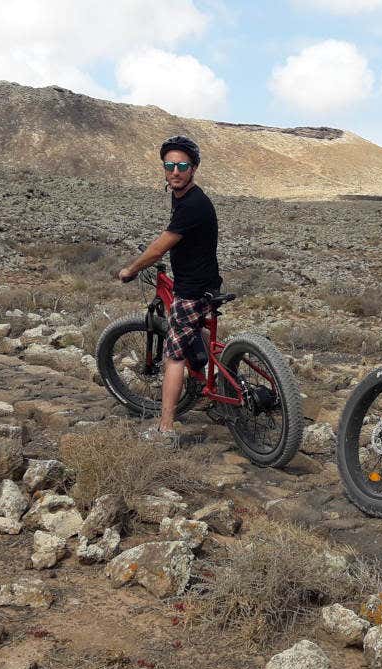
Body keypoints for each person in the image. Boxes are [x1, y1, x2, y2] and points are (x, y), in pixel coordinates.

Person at [116, 135, 222, 447]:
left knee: (173, 357)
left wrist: (132, 269)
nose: (175, 171)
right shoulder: (187, 197)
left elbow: (159, 248)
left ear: (194, 168)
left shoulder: (192, 204)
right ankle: (210, 385)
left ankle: (165, 429)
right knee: (196, 333)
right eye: (169, 166)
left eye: (182, 166)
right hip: (208, 284)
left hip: (191, 290)